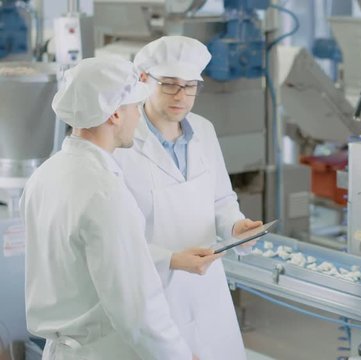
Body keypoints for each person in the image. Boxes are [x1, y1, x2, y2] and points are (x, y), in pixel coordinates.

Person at [20, 57, 198, 360]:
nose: (138, 119)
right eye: (134, 109)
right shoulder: (104, 192)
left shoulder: (44, 175)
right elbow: (136, 307)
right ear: (115, 114)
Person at [113, 36, 261, 359]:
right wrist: (170, 260)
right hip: (152, 296)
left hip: (208, 293)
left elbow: (221, 200)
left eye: (190, 85)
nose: (181, 96)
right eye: (169, 84)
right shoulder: (121, 144)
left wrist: (236, 228)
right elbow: (115, 240)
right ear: (143, 80)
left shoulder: (204, 131)